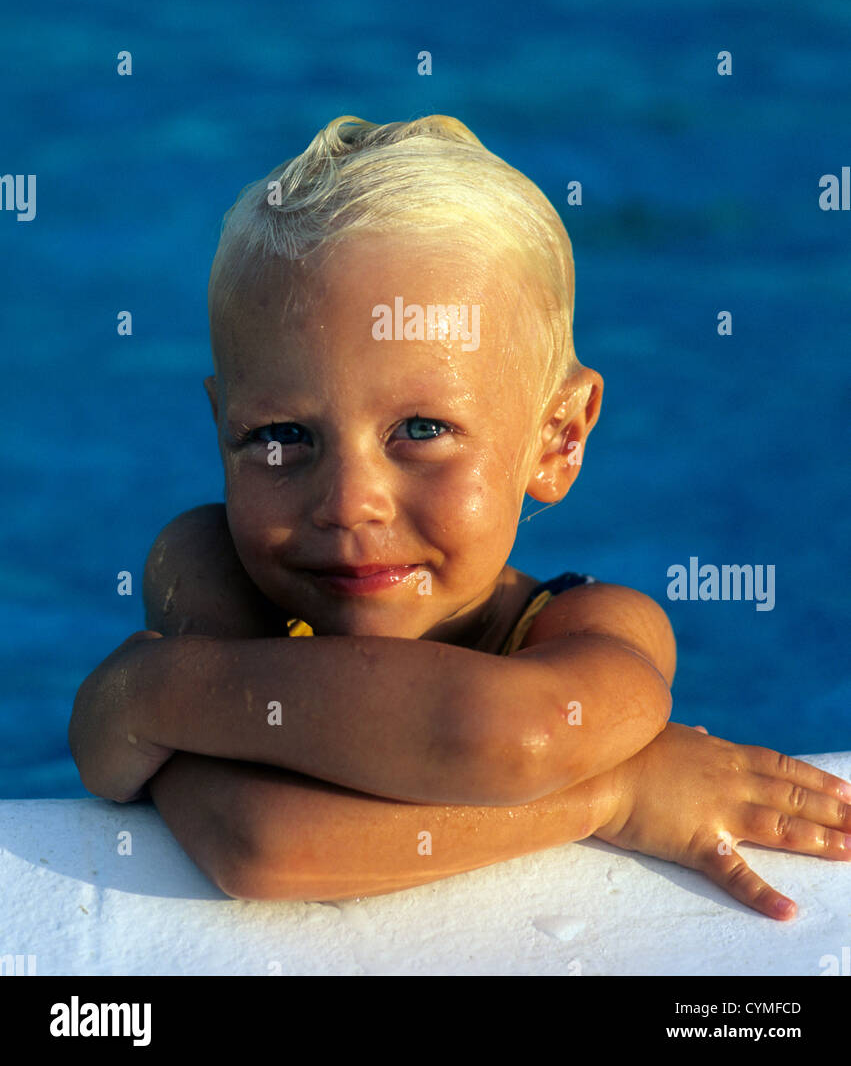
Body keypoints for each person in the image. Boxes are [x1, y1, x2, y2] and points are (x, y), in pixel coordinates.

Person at [68, 114, 851, 914]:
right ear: (222, 428)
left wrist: (152, 694)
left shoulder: (596, 635)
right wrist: (612, 796)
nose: (347, 503)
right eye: (281, 436)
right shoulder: (206, 561)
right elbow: (253, 839)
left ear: (557, 438)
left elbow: (487, 741)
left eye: (420, 430)